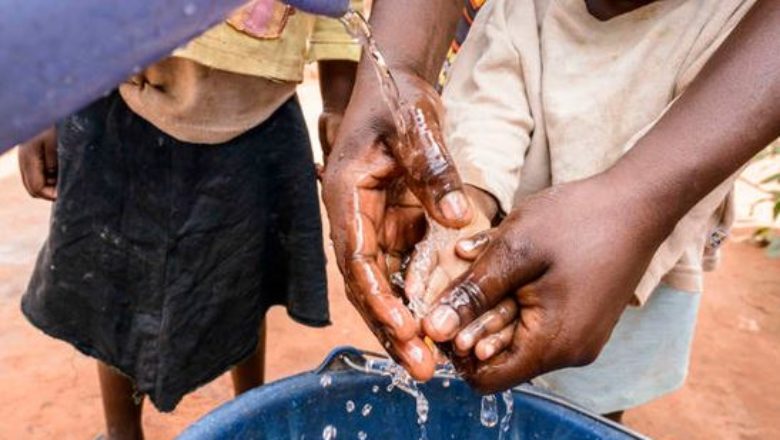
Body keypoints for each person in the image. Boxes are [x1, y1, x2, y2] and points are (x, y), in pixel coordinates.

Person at [321, 0, 779, 418]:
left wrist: (634, 220)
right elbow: (490, 100)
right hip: (505, 250)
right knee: (479, 384)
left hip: (641, 276)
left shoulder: (727, 22)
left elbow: (692, 178)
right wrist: (468, 214)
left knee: (592, 403)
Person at [17, 1, 361, 438]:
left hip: (254, 110)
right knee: (113, 279)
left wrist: (339, 102)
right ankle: (123, 432)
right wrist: (42, 99)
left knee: (244, 274)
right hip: (119, 89)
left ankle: (249, 416)